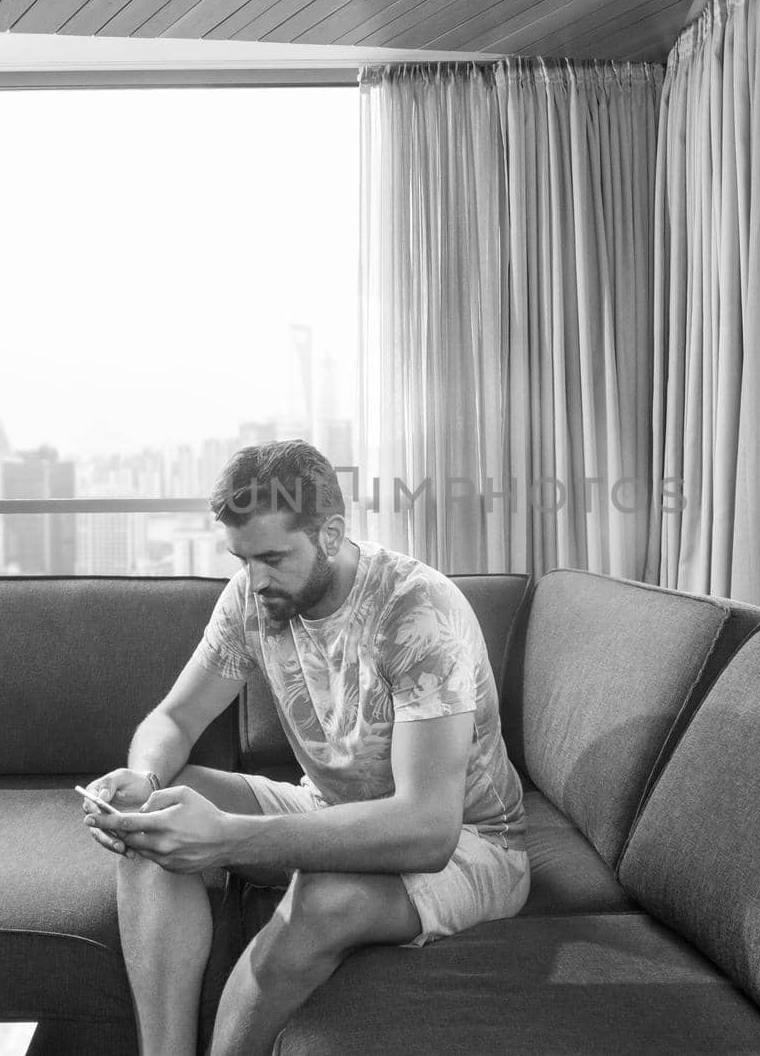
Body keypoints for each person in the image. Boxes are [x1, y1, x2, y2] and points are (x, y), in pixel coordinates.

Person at [82, 440, 529, 1056]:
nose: (254, 578)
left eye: (271, 556)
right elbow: (175, 718)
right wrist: (145, 781)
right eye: (242, 558)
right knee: (150, 819)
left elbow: (429, 830)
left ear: (331, 533)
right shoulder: (252, 595)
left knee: (322, 897)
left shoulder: (416, 611)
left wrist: (228, 836)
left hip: (473, 846)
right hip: (325, 807)